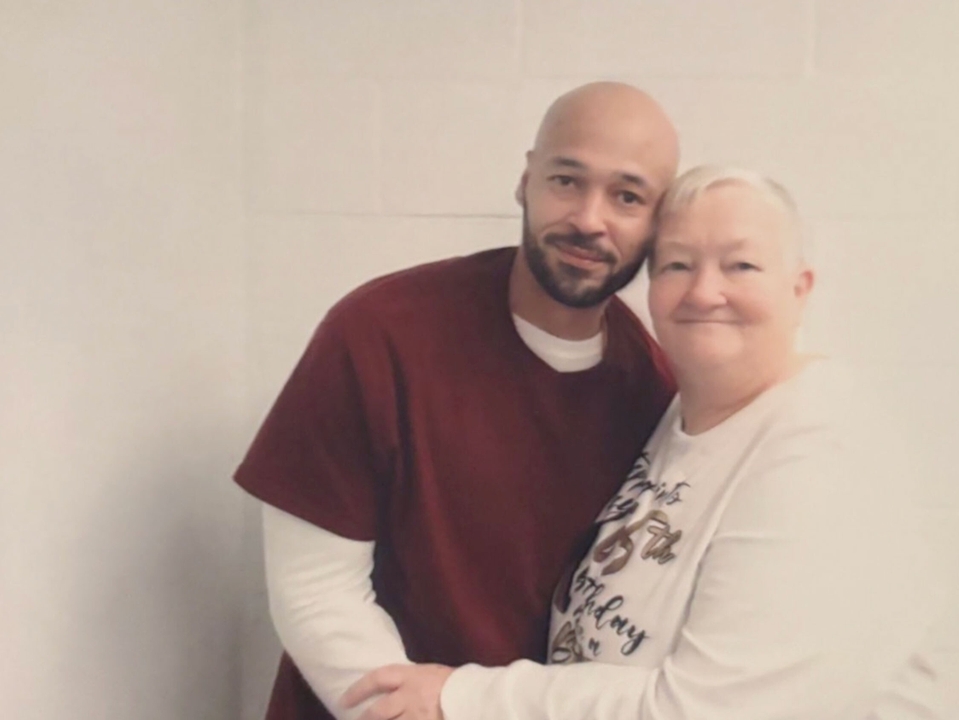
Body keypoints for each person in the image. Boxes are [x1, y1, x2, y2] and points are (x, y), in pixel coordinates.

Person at [343, 166, 943, 720]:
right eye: (678, 265)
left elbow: (706, 711)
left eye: (742, 267)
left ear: (800, 288)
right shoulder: (683, 416)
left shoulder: (822, 452)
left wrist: (458, 696)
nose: (705, 292)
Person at [234, 81, 681, 720]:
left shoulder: (656, 389)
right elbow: (314, 592)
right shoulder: (377, 333)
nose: (589, 218)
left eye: (627, 196)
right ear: (526, 181)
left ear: (658, 221)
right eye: (566, 180)